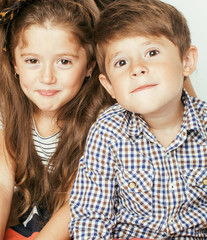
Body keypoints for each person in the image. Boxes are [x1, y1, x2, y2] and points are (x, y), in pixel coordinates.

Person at [69, 0, 207, 239]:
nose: (137, 68)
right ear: (109, 85)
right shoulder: (108, 130)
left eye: (151, 53)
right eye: (121, 62)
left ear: (186, 61)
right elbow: (90, 216)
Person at [0, 0, 113, 239]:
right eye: (32, 61)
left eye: (64, 61)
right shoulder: (7, 108)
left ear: (90, 66)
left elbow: (75, 203)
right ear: (15, 64)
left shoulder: (103, 120)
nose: (47, 77)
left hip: (76, 214)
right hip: (25, 212)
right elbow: (1, 184)